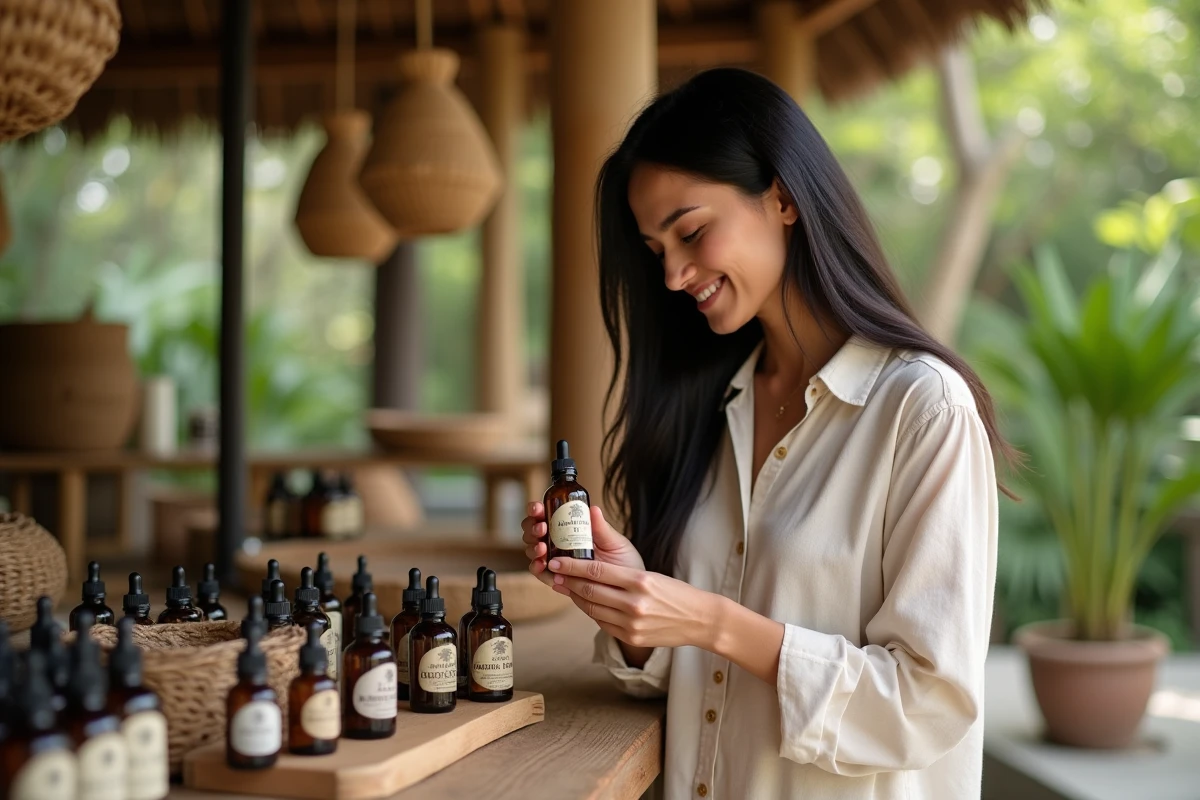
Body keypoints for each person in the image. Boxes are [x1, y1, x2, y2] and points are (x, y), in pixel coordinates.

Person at [521, 67, 1013, 800]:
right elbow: (696, 683)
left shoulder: (922, 411)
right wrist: (634, 605)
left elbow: (928, 704)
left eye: (690, 232)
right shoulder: (714, 409)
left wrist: (712, 620)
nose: (674, 276)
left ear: (782, 197)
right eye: (656, 251)